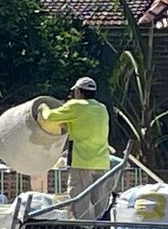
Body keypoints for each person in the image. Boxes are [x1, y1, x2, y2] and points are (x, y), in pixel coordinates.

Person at [38, 77, 113, 220]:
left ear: (78, 91)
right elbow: (83, 126)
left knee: (80, 198)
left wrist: (43, 107)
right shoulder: (101, 108)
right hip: (102, 161)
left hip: (82, 161)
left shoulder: (76, 106)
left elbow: (49, 117)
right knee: (100, 200)